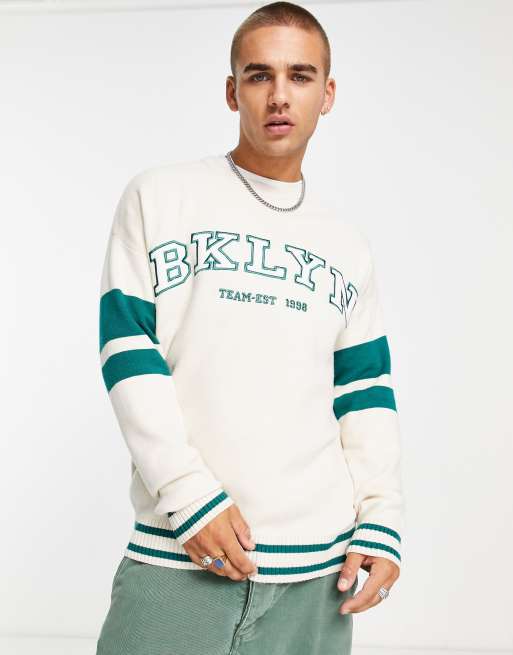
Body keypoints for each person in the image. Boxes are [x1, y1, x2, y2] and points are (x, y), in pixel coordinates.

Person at [95, 2, 405, 654]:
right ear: (232, 91)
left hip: (318, 575)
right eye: (260, 75)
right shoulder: (161, 196)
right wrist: (188, 497)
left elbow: (364, 394)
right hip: (181, 551)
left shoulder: (347, 245)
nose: (279, 95)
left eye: (300, 75)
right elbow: (128, 351)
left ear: (327, 94)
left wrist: (381, 517)